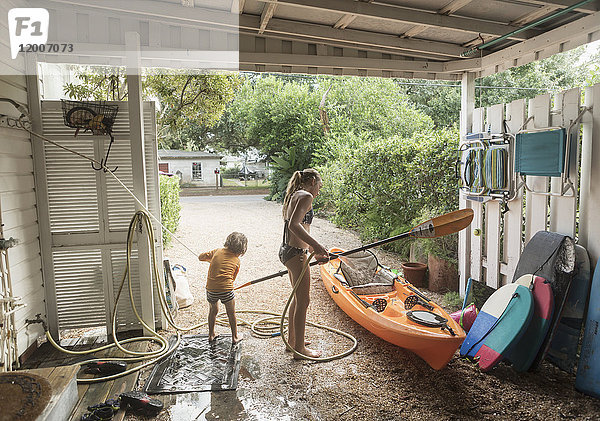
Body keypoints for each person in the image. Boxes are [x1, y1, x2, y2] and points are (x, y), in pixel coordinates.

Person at [279, 169, 329, 358]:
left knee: (298, 299)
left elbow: (300, 227)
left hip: (289, 251)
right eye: (319, 186)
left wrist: (312, 250)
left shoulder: (295, 194)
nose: (319, 190)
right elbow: (294, 225)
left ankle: (292, 341)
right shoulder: (306, 195)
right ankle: (299, 349)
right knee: (304, 300)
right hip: (296, 254)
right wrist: (316, 245)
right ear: (312, 181)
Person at [198, 232, 248, 344]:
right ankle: (235, 337)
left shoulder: (217, 251)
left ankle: (211, 334)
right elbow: (233, 278)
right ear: (242, 249)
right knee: (231, 313)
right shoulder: (237, 261)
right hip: (226, 289)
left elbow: (200, 257)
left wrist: (210, 259)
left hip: (211, 289)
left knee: (213, 310)